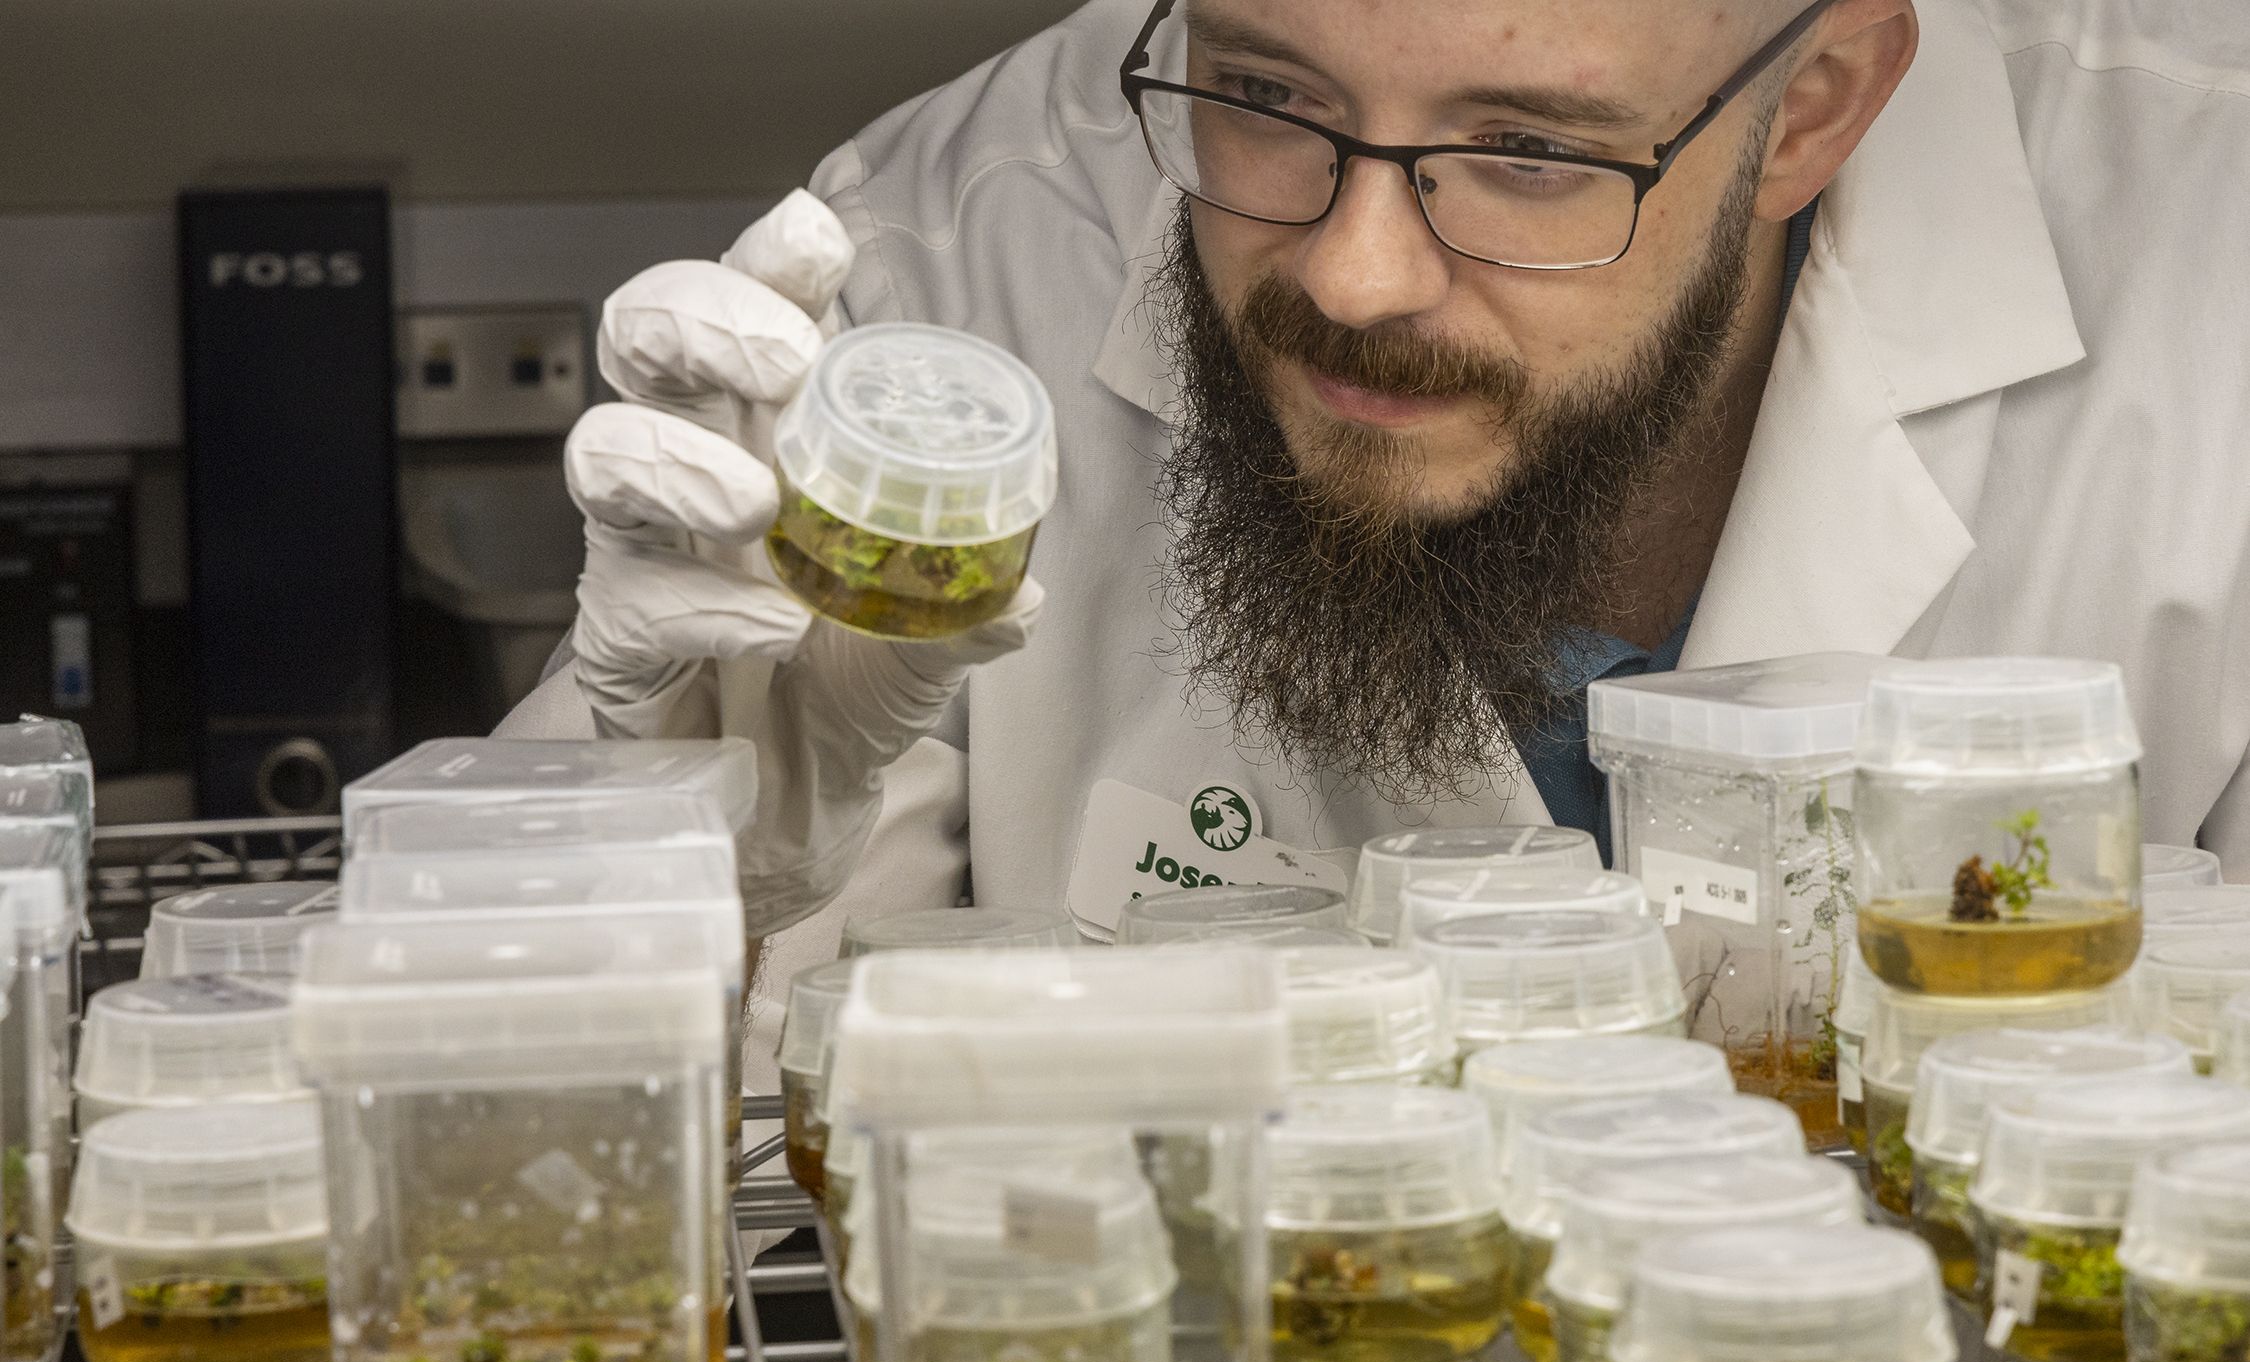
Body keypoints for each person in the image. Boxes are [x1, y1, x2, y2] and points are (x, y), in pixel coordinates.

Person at [507, 0, 2250, 982]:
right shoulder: (969, 239)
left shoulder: (2206, 257)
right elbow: (557, 1184)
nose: (1348, 278)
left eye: (1528, 152)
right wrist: (700, 854)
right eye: (1269, 97)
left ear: (1810, 108)